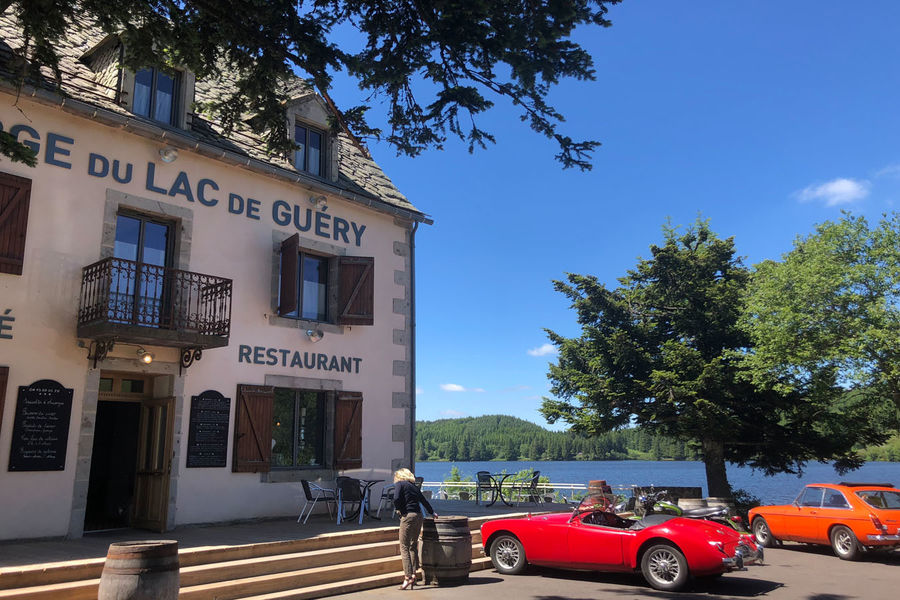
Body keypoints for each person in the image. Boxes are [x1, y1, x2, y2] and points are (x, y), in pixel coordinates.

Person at [392, 468, 437, 590]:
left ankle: (408, 577)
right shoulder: (413, 486)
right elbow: (423, 500)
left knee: (404, 546)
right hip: (418, 516)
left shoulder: (400, 484)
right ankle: (413, 575)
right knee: (412, 546)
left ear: (399, 476)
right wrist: (432, 512)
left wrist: (400, 510)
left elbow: (396, 498)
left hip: (408, 516)